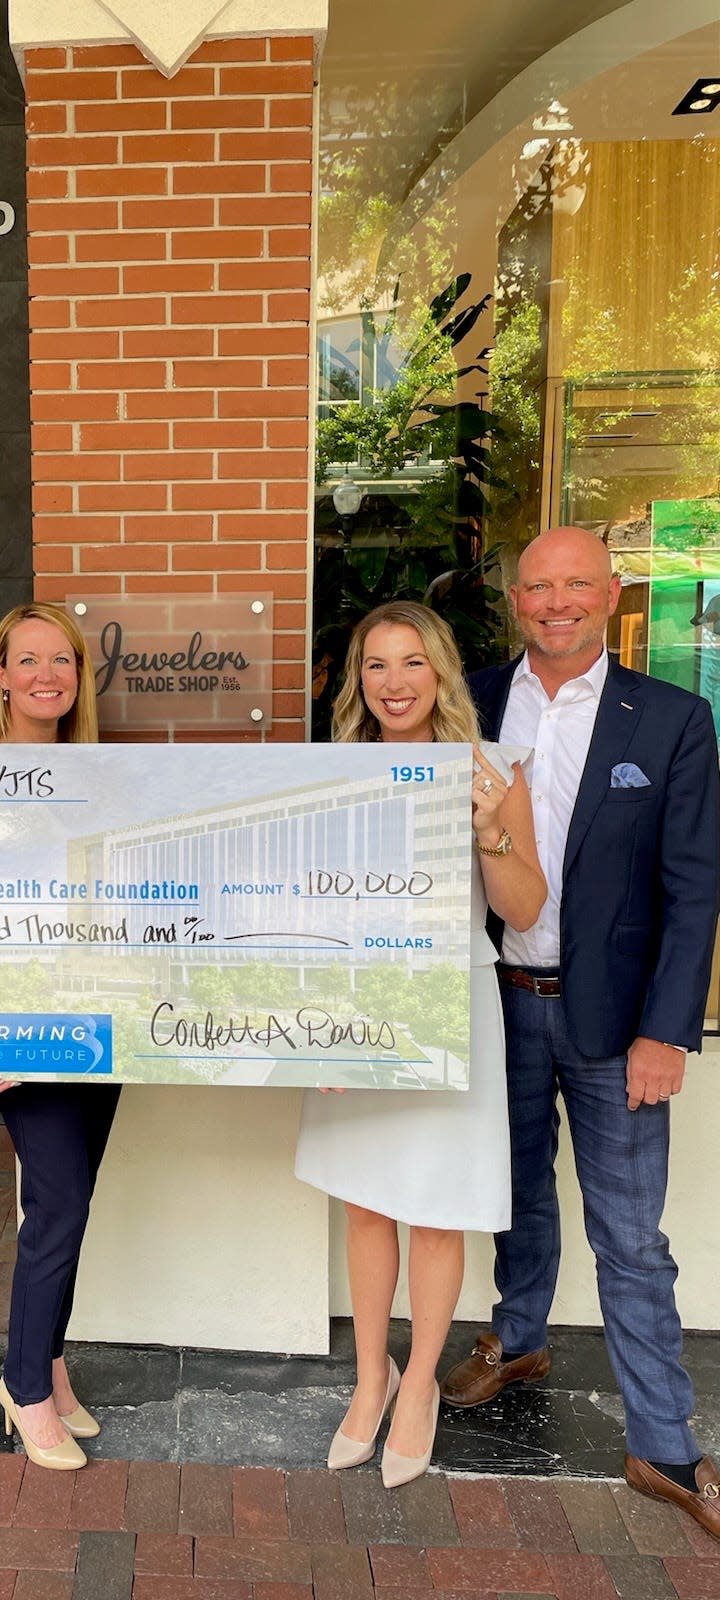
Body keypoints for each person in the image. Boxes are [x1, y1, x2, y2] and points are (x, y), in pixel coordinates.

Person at [439, 526, 720, 1542]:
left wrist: (667, 1033)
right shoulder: (462, 698)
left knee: (631, 1235)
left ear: (610, 594)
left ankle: (665, 1442)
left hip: (617, 1022)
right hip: (496, 996)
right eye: (538, 587)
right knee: (514, 1192)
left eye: (577, 586)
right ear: (516, 598)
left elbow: (694, 890)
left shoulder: (675, 718)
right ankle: (519, 1336)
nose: (557, 602)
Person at [296, 600, 545, 1488]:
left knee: (435, 1209)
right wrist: (314, 1037)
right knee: (366, 1203)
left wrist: (490, 831)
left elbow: (522, 909)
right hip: (356, 1001)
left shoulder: (489, 767)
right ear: (356, 682)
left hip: (449, 1001)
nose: (394, 683)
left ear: (439, 671)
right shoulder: (336, 775)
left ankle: (418, 1391)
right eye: (376, 665)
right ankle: (371, 1380)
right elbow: (307, 910)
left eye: (412, 663)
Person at [0, 602, 120, 1472]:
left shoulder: (101, 775)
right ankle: (25, 1389)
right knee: (54, 1206)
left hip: (98, 1020)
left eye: (62, 659)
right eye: (28, 660)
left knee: (73, 1201)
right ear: (0, 673)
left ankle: (48, 1362)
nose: (46, 675)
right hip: (18, 1029)